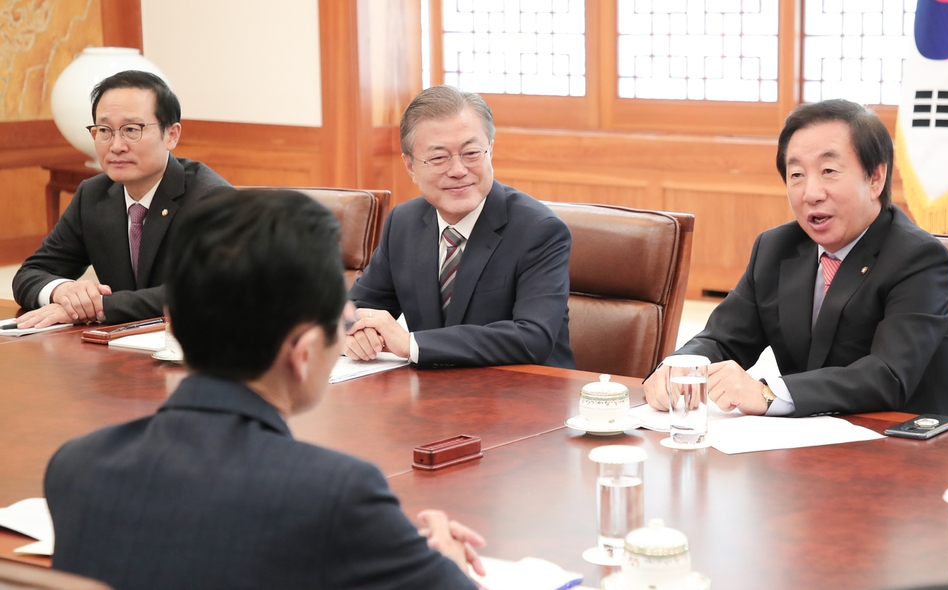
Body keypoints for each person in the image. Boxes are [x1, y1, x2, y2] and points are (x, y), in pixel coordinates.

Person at [44, 189, 485, 590]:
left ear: (174, 324)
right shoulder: (335, 494)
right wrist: (445, 562)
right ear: (304, 352)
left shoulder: (77, 466)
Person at [644, 99, 948, 419]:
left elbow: (888, 375)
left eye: (828, 171)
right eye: (796, 174)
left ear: (875, 179)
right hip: (809, 447)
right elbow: (722, 340)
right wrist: (678, 368)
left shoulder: (918, 259)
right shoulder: (775, 249)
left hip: (907, 448)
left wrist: (768, 393)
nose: (810, 193)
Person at [345, 85, 575, 369]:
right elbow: (353, 309)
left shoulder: (539, 231)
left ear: (490, 150)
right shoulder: (403, 223)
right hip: (432, 396)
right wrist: (354, 333)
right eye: (439, 158)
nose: (457, 170)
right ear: (410, 166)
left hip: (525, 398)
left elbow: (532, 338)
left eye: (471, 153)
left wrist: (412, 344)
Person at [12, 70, 229, 327]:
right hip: (117, 351)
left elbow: (201, 292)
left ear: (171, 134)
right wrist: (62, 291)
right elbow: (30, 273)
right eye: (104, 130)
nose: (116, 146)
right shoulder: (93, 195)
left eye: (131, 130)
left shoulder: (211, 199)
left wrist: (98, 307)